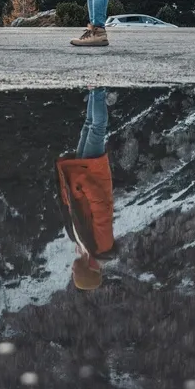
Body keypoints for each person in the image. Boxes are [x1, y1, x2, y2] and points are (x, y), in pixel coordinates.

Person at [55, 88, 116, 290]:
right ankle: (98, 90)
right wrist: (83, 183)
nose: (72, 270)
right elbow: (101, 207)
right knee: (97, 128)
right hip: (90, 176)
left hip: (81, 177)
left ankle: (93, 93)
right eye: (76, 272)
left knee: (88, 127)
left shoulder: (86, 248)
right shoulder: (102, 246)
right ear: (88, 269)